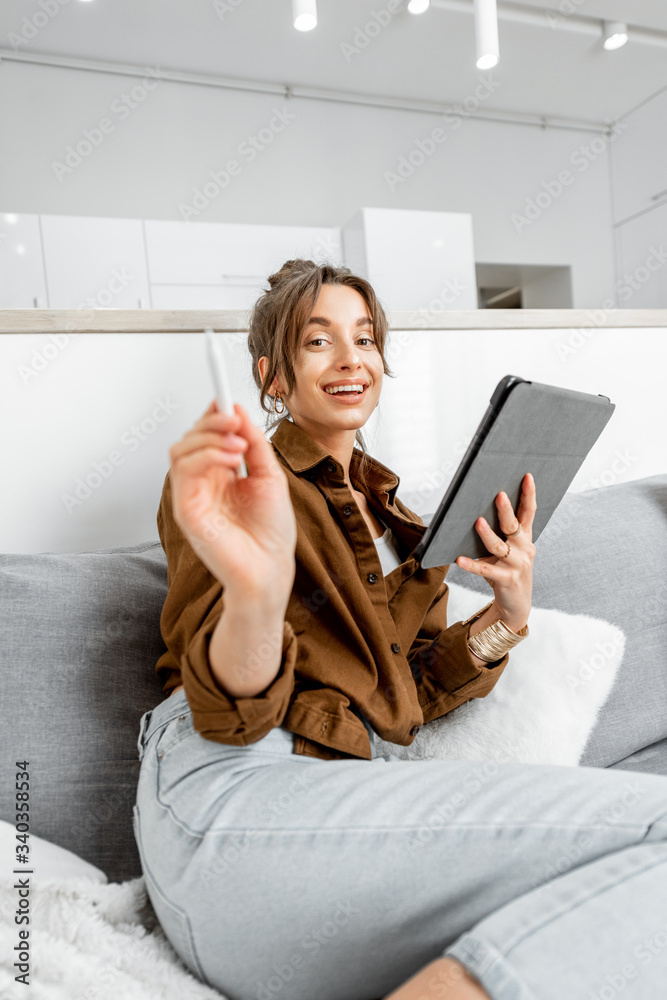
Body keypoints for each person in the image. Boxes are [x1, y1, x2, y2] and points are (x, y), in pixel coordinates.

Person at [133, 260, 667, 1000]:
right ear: (273, 377)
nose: (352, 358)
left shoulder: (400, 520)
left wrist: (507, 615)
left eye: (365, 339)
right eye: (318, 342)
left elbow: (413, 693)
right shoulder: (240, 485)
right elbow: (233, 713)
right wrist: (256, 593)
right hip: (237, 796)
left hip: (344, 814)